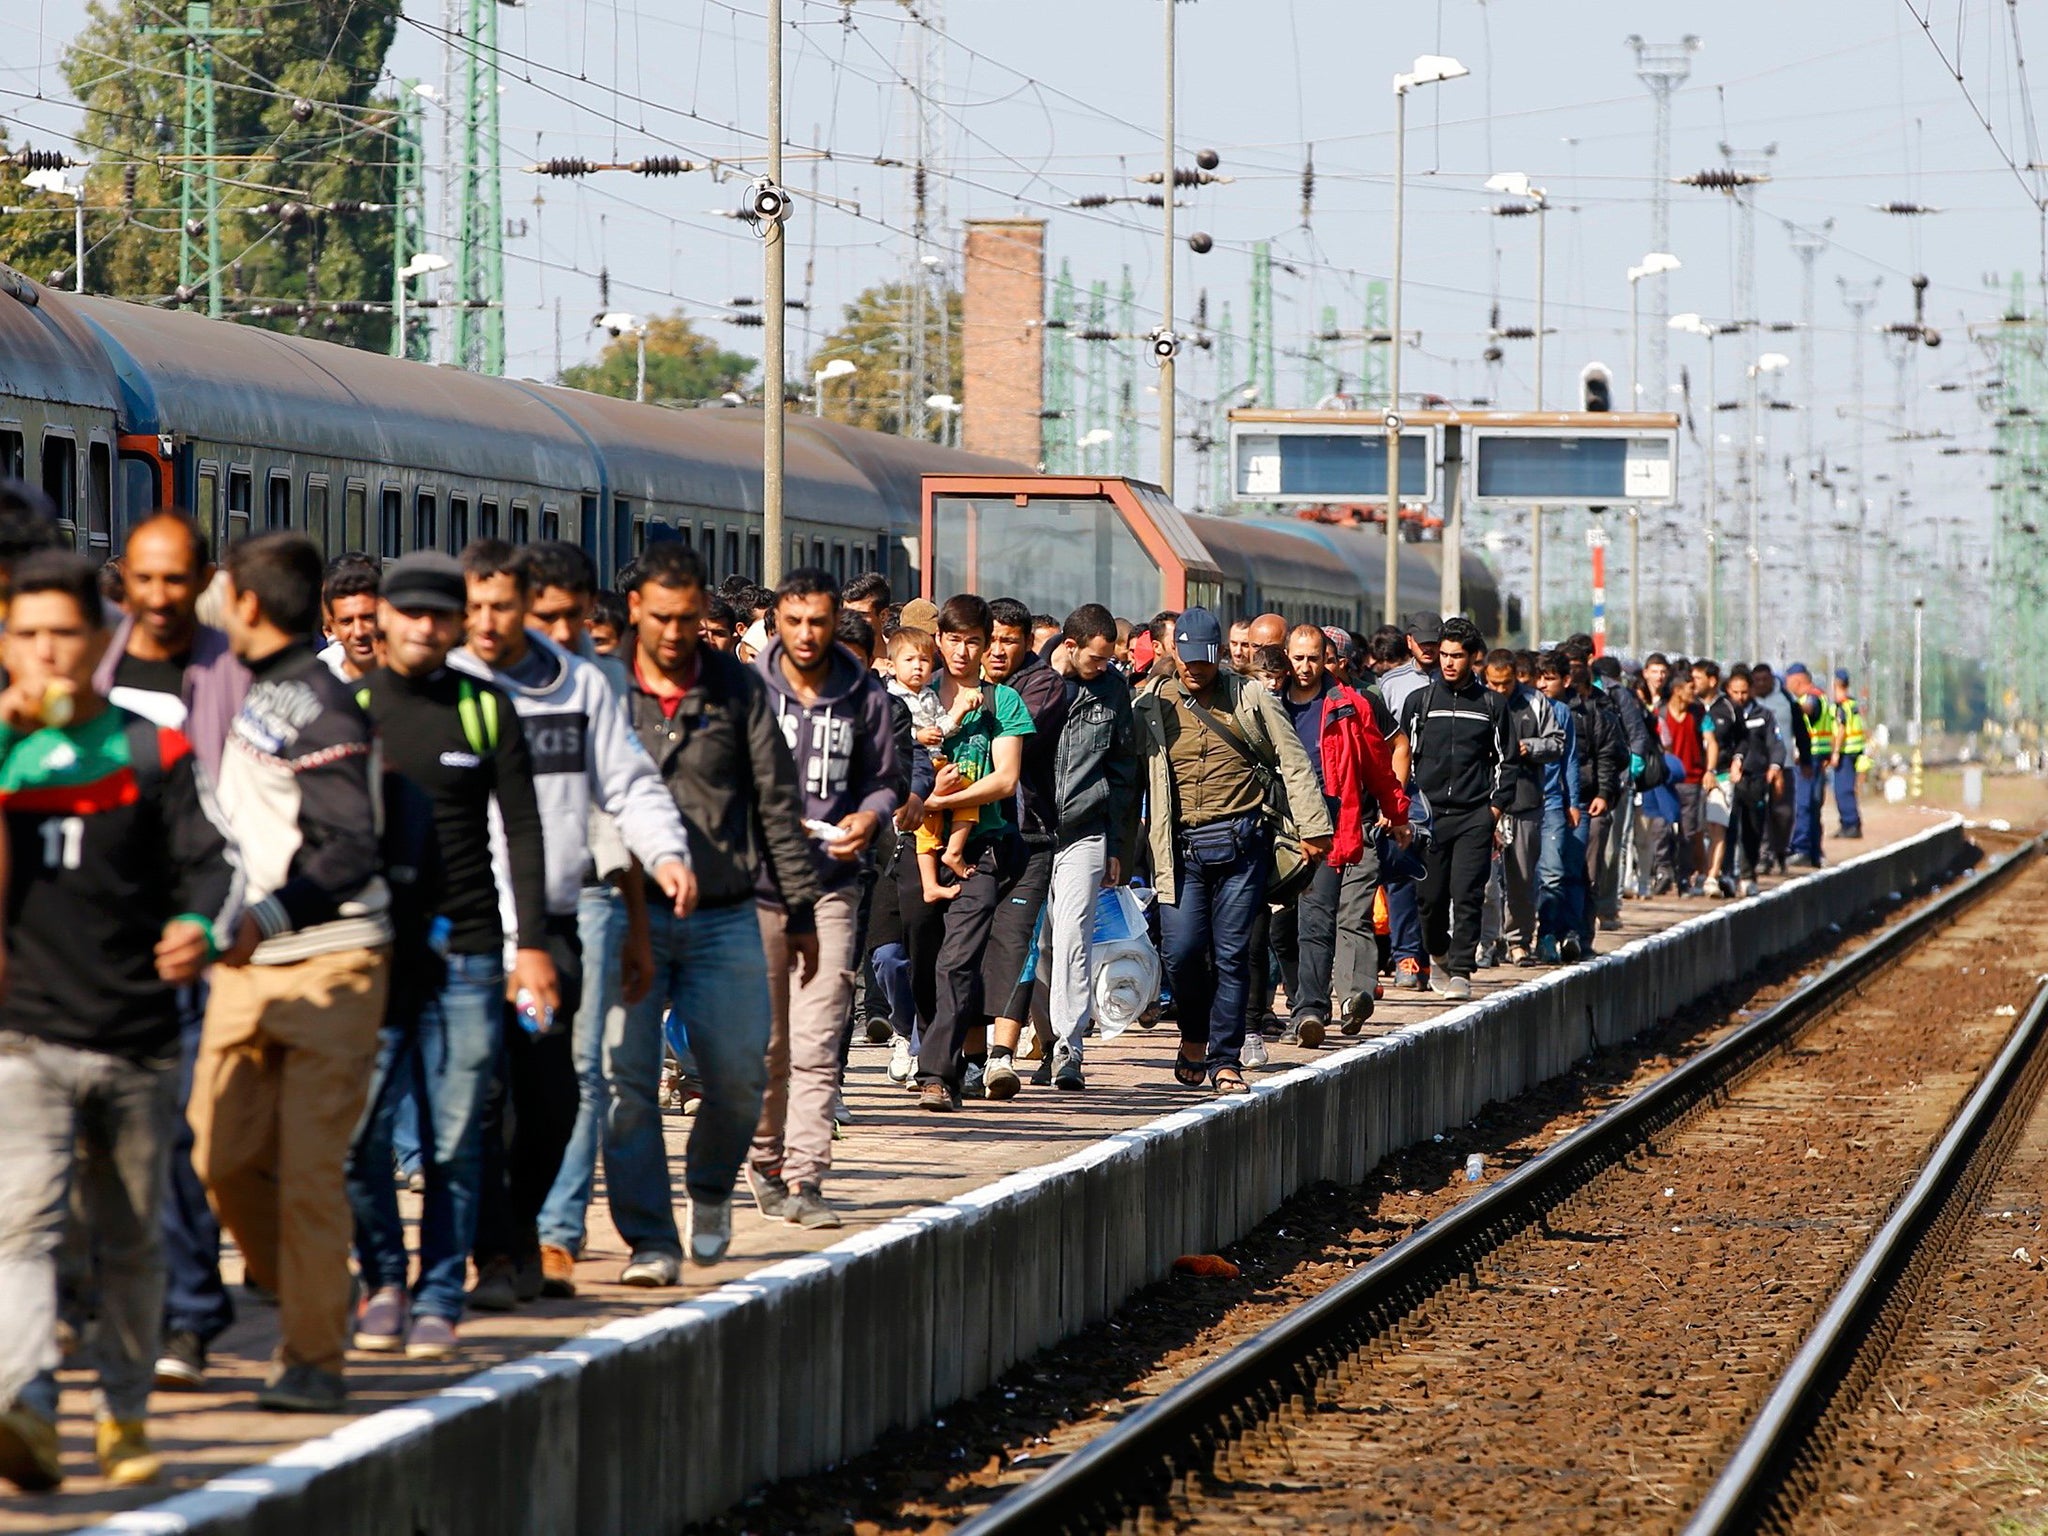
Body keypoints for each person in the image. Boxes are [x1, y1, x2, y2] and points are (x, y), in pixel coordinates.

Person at [0, 551, 242, 1491]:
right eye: (26, 637)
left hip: (138, 1040)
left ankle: (126, 1416)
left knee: (132, 1237)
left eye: (65, 634)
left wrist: (195, 927)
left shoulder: (155, 750)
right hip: (23, 1039)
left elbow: (212, 868)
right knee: (22, 1231)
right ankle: (27, 1404)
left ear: (99, 645)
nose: (47, 654)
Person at [453, 540, 694, 1304]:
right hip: (461, 931)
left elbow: (628, 782)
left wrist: (664, 852)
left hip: (546, 933)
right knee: (477, 1094)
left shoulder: (579, 690)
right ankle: (494, 1252)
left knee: (550, 1094)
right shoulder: (449, 685)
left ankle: (522, 1230)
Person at [189, 531, 393, 1413]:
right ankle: (319, 1292)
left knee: (310, 1170)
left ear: (244, 604)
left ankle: (313, 1354)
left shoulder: (322, 708)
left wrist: (266, 917)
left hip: (329, 964)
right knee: (213, 1153)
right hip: (247, 966)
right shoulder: (263, 694)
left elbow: (350, 847)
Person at [343, 552, 552, 1361]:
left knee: (457, 1137)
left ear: (457, 624)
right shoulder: (350, 708)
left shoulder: (483, 708)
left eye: (441, 616)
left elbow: (524, 831)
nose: (425, 628)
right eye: (411, 614)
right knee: (360, 1132)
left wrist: (527, 945)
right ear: (383, 618)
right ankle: (382, 1279)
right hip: (373, 952)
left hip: (467, 950)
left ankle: (436, 1294)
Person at [613, 541, 819, 1270]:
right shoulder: (607, 691)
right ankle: (649, 1239)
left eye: (689, 617)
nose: (676, 633)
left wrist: (798, 909)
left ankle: (708, 1184)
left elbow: (776, 803)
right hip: (626, 912)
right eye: (662, 617)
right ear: (634, 610)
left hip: (726, 911)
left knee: (738, 1075)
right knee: (627, 1087)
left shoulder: (736, 689)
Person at [83, 513, 250, 1392]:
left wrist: (224, 920)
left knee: (172, 1130)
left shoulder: (238, 673)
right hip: (90, 934)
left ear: (201, 580)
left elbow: (247, 807)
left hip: (193, 932)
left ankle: (188, 1312)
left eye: (174, 580)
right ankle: (98, 1304)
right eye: (141, 581)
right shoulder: (89, 664)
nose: (156, 598)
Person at [748, 569, 901, 1225]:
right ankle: (764, 1160)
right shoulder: (749, 688)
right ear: (775, 621)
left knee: (818, 1035)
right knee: (767, 1042)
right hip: (757, 888)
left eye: (818, 621)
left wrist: (868, 819)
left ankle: (807, 1179)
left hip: (833, 882)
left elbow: (885, 779)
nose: (807, 635)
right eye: (794, 621)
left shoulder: (862, 691)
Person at [1133, 608, 1330, 1095]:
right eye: (1187, 658)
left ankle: (1224, 1059)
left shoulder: (1252, 697)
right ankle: (1194, 1035)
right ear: (1174, 651)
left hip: (1243, 846)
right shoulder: (1151, 702)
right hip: (1179, 851)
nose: (1195, 669)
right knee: (1179, 954)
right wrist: (1120, 847)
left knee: (1232, 955)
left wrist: (1314, 828)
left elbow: (1294, 761)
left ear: (1218, 653)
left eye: (1204, 659)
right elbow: (1128, 777)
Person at [905, 595, 1032, 1110]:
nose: (962, 650)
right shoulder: (918, 695)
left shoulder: (1004, 702)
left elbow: (1005, 780)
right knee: (918, 958)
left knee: (957, 959)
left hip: (980, 849)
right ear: (939, 642)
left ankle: (935, 1074)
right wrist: (927, 800)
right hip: (916, 842)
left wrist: (945, 798)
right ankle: (952, 1057)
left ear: (987, 646)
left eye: (973, 641)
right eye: (953, 639)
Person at [1274, 623, 1408, 1040]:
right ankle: (1296, 1000)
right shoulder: (1266, 701)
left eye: (1314, 657)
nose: (1305, 666)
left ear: (1327, 658)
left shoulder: (1349, 705)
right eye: (1298, 658)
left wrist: (1396, 811)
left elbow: (1377, 765)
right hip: (1277, 825)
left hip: (1329, 824)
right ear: (1286, 656)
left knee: (1317, 920)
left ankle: (1310, 1012)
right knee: (1280, 928)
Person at [1039, 603, 1138, 1091]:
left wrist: (1118, 843)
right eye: (1097, 659)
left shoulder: (1114, 690)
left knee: (1075, 931)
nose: (1105, 667)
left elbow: (1123, 773)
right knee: (1036, 940)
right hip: (1031, 830)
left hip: (1086, 827)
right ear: (1069, 646)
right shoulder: (1034, 680)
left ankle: (1068, 1044)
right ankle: (1038, 1038)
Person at [977, 596, 1069, 1100]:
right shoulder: (964, 680)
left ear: (1026, 641)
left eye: (1008, 641)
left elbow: (1014, 740)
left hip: (1028, 832)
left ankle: (1001, 1056)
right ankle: (966, 1055)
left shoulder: (1044, 686)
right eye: (988, 639)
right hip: (967, 835)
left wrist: (972, 700)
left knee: (1016, 943)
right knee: (964, 945)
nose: (995, 650)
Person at [1394, 615, 1513, 999]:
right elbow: (1402, 756)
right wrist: (1404, 808)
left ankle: (1461, 969)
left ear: (1473, 658)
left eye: (1456, 656)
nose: (1447, 662)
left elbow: (1507, 761)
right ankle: (1440, 953)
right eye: (1443, 654)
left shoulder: (1491, 705)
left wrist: (1493, 810)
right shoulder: (1420, 702)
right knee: (1428, 901)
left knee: (1467, 894)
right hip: (1428, 819)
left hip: (1473, 816)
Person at [1710, 665, 1786, 897]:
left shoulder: (1763, 715)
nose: (1740, 697)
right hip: (1729, 778)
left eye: (1744, 692)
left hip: (1755, 779)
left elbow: (1776, 744)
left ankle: (1747, 874)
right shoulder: (1722, 713)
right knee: (1728, 828)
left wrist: (1775, 767)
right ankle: (1728, 874)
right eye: (1735, 692)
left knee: (1753, 828)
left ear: (1751, 690)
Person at [1531, 653, 1588, 961]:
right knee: (1521, 877)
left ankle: (1548, 935)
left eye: (1549, 678)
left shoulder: (1562, 712)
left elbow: (1569, 761)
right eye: (1539, 677)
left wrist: (1573, 802)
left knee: (1553, 873)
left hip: (1553, 802)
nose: (1542, 684)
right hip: (1522, 803)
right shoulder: (1522, 706)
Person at [1657, 671, 1717, 894]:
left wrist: (1709, 770)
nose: (1695, 692)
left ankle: (1684, 877)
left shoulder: (1699, 713)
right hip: (1666, 781)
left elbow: (1710, 741)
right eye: (1690, 688)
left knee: (1689, 831)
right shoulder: (1660, 714)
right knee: (1662, 828)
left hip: (1692, 780)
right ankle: (1662, 871)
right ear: (1677, 691)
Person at [1785, 663, 1834, 867]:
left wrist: (1789, 707)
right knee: (1812, 805)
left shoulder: (1811, 697)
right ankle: (1814, 851)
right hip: (1816, 757)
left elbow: (1810, 709)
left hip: (1809, 759)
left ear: (1797, 680)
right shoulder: (1819, 695)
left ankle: (1803, 848)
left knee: (1803, 805)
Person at [318, 556, 383, 682]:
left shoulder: (413, 678)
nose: (359, 632)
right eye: (346, 622)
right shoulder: (319, 687)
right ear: (331, 629)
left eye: (368, 618)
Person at [1831, 669, 1866, 839]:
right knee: (1846, 789)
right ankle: (1848, 824)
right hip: (1854, 751)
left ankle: (1850, 824)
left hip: (1845, 752)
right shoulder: (1852, 703)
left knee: (1842, 790)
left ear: (1837, 684)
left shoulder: (1842, 706)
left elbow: (1841, 729)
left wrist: (1835, 752)